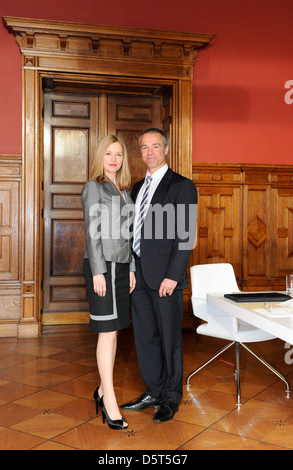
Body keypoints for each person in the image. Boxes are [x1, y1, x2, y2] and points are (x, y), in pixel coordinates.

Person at [121, 128, 197, 423]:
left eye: (155, 146)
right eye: (143, 148)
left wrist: (173, 276)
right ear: (139, 152)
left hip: (165, 276)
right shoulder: (136, 188)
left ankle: (170, 397)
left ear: (165, 149)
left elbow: (185, 235)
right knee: (144, 336)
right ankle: (152, 390)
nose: (149, 152)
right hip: (137, 275)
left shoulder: (181, 185)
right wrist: (129, 269)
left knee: (169, 338)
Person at [81, 135, 135, 430]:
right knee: (107, 332)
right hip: (101, 268)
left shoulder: (125, 192)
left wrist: (132, 269)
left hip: (121, 267)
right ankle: (109, 399)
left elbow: (130, 236)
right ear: (100, 157)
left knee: (114, 332)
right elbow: (92, 233)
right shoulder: (94, 187)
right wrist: (99, 272)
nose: (113, 159)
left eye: (118, 154)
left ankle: (103, 389)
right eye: (108, 154)